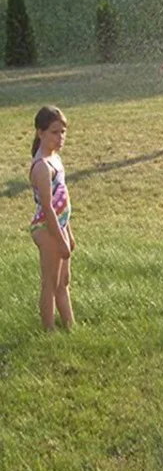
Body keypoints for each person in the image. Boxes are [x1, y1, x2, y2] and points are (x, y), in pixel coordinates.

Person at [29, 106, 74, 331]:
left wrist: (69, 233)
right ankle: (49, 331)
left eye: (63, 132)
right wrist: (60, 239)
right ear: (41, 133)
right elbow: (47, 208)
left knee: (64, 282)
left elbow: (62, 202)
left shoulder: (55, 159)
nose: (60, 137)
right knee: (50, 283)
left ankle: (70, 326)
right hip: (47, 228)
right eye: (55, 132)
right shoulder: (42, 167)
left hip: (59, 225)